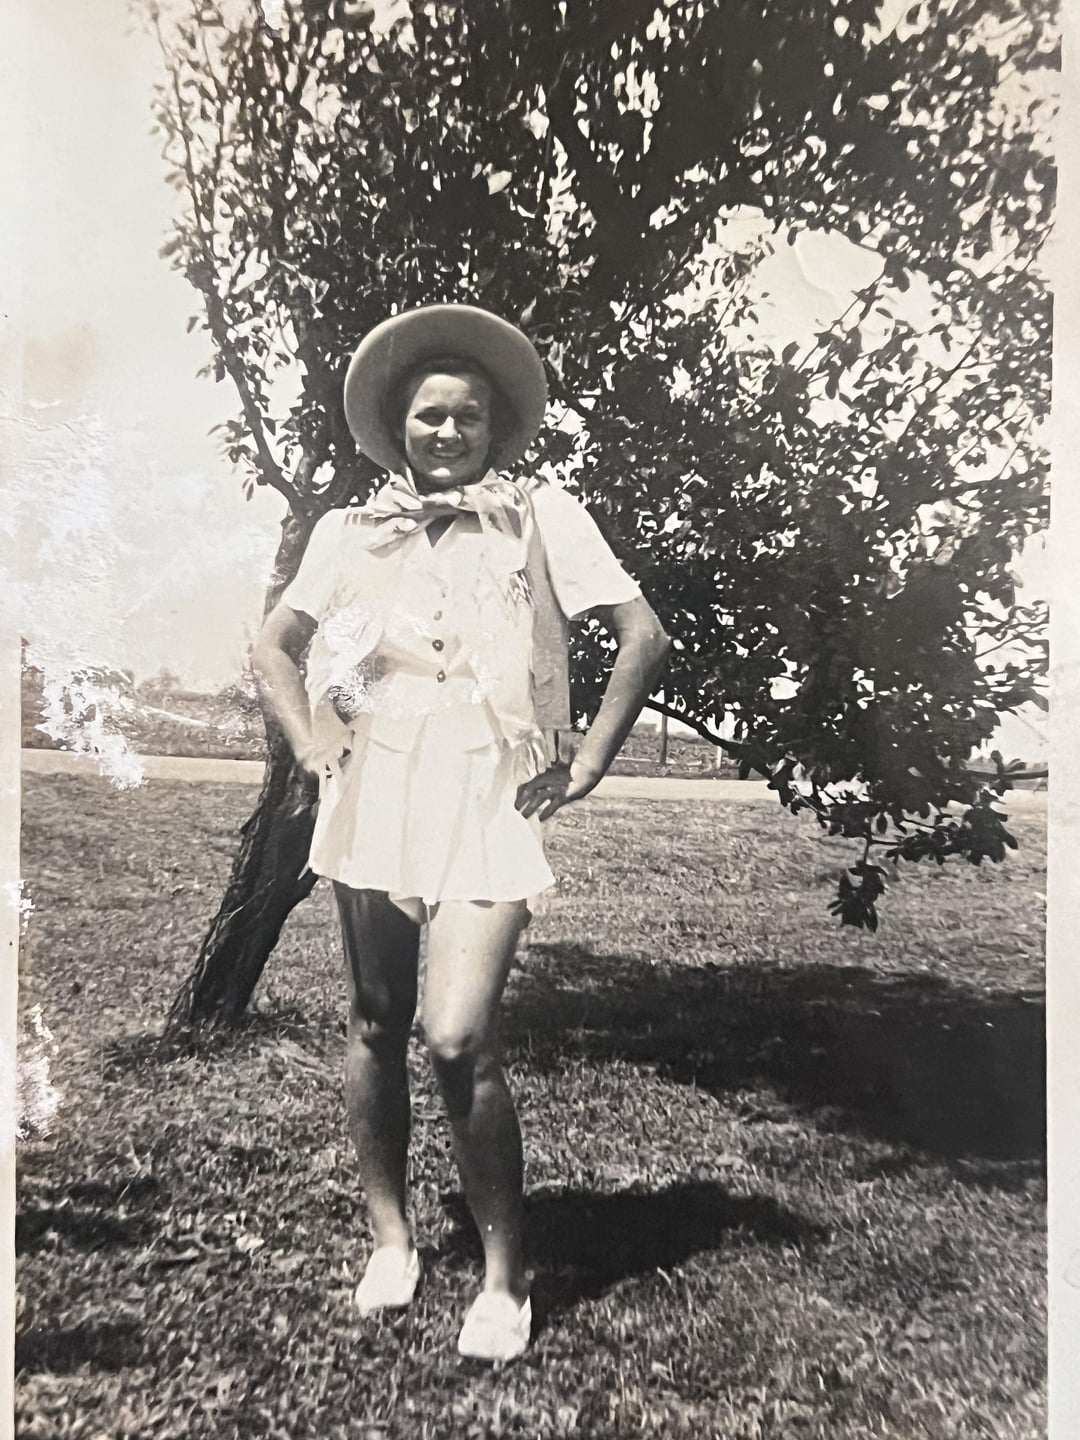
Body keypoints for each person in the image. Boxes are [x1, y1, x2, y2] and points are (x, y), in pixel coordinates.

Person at [252, 304, 671, 1362]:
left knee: (455, 1035)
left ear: (495, 427)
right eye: (430, 415)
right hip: (373, 783)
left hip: (489, 790)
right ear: (399, 424)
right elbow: (277, 646)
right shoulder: (349, 531)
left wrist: (588, 759)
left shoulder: (539, 516)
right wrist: (311, 744)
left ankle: (504, 1277)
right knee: (373, 1019)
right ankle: (391, 1240)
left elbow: (642, 634)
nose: (447, 432)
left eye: (466, 417)